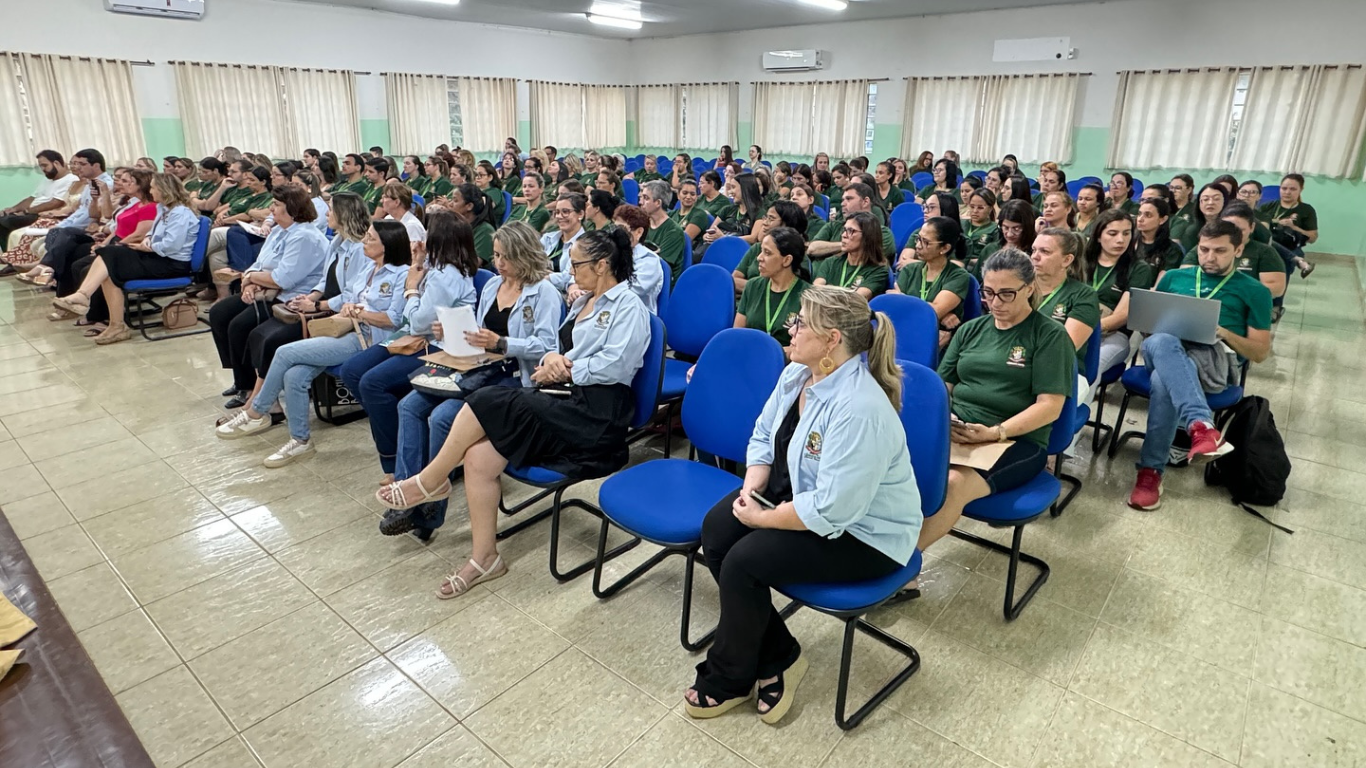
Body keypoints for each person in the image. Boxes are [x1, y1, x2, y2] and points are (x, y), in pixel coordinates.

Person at [683, 286, 920, 724]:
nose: (788, 329)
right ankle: (780, 657)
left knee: (743, 562)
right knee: (718, 530)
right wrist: (752, 490)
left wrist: (765, 518)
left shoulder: (859, 407)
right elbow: (762, 436)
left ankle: (729, 676)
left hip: (865, 534)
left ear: (831, 339)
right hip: (808, 502)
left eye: (800, 323)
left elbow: (833, 510)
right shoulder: (798, 374)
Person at [376, 228, 651, 599]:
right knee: (478, 457)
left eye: (577, 265)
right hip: (564, 400)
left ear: (603, 265)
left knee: (488, 398)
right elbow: (555, 348)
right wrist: (555, 361)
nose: (571, 273)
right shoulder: (583, 300)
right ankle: (485, 557)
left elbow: (618, 366)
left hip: (597, 418)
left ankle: (431, 479)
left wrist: (565, 366)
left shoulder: (628, 306)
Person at [381, 221, 561, 539]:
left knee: (442, 417)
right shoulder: (492, 285)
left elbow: (548, 347)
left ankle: (429, 510)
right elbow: (474, 333)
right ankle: (408, 495)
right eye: (495, 255)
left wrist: (502, 344)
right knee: (410, 405)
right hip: (479, 367)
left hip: (514, 375)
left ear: (524, 255)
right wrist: (448, 331)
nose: (499, 263)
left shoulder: (543, 292)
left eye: (505, 257)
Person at [216, 221, 410, 466]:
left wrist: (360, 313)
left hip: (370, 340)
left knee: (284, 353)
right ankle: (300, 441)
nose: (364, 241)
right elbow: (348, 296)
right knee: (295, 376)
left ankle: (257, 410)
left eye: (370, 238)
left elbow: (394, 319)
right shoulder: (370, 268)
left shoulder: (402, 274)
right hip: (348, 328)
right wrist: (315, 304)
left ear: (387, 245)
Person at [917, 249, 1072, 554]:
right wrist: (946, 419)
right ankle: (880, 548)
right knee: (896, 464)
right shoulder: (971, 329)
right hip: (961, 431)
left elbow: (1050, 406)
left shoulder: (1049, 336)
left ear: (1029, 289)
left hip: (1016, 441)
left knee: (952, 484)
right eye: (988, 293)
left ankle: (900, 566)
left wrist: (995, 432)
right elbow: (941, 387)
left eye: (1006, 294)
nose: (995, 303)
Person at [1128, 220, 1272, 510]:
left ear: (1239, 249)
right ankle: (1202, 426)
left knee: (1162, 382)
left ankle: (1151, 470)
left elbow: (1259, 353)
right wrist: (1151, 325)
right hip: (1165, 350)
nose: (1209, 257)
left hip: (1215, 360)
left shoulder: (1254, 291)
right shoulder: (1173, 279)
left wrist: (1224, 332)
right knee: (1162, 340)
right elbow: (1147, 329)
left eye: (1220, 251)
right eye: (1204, 249)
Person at [342, 210, 480, 479]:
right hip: (414, 337)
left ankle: (394, 460)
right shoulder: (437, 267)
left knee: (372, 383)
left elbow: (416, 321)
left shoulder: (445, 275)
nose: (422, 241)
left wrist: (411, 289)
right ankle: (398, 435)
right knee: (352, 372)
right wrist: (418, 262)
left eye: (428, 236)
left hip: (437, 345)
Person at [231, 193, 372, 412]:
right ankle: (261, 399)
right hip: (322, 305)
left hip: (339, 313)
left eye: (331, 209)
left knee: (272, 341)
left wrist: (317, 306)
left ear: (344, 215)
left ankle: (258, 404)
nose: (327, 213)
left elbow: (352, 295)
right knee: (259, 334)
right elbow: (325, 280)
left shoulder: (359, 250)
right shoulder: (337, 241)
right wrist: (312, 297)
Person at [210, 186, 331, 405]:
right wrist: (249, 283)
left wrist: (252, 279)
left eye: (276, 205)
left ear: (292, 210)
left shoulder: (304, 236)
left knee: (239, 325)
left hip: (289, 297)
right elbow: (258, 264)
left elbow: (282, 279)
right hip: (265, 290)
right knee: (220, 312)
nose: (270, 208)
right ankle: (241, 378)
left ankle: (250, 388)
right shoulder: (278, 230)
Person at [50, 173, 200, 344]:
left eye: (153, 187)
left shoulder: (180, 213)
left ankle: (84, 297)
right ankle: (114, 324)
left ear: (164, 190)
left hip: (172, 263)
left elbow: (172, 245)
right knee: (109, 265)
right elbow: (152, 232)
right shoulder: (163, 209)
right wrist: (148, 240)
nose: (150, 191)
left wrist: (147, 247)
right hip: (157, 256)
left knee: (110, 254)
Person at [48, 168, 157, 310]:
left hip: (129, 246)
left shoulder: (149, 206)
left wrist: (111, 246)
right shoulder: (134, 203)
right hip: (115, 240)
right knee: (72, 257)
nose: (119, 183)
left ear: (139, 185)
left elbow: (138, 235)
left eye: (125, 181)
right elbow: (117, 227)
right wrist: (104, 243)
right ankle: (69, 302)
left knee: (84, 266)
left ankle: (94, 313)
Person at [1031, 228, 1100, 399]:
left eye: (1045, 251)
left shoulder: (1083, 295)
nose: (1034, 256)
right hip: (1016, 363)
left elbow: (1064, 348)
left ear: (1067, 260)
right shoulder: (1020, 288)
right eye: (1033, 250)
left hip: (1063, 373)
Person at [27, 150, 112, 286]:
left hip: (93, 229)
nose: (77, 168)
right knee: (54, 233)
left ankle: (50, 272)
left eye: (82, 164)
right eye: (76, 164)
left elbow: (97, 217)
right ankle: (49, 272)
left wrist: (63, 226)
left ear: (96, 166)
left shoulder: (106, 185)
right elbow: (83, 212)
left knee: (62, 233)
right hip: (88, 225)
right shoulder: (90, 184)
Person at [1083, 208, 1152, 375]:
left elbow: (1123, 315)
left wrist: (1086, 330)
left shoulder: (1139, 268)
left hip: (1112, 335)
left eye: (1126, 233)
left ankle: (1078, 402)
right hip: (1073, 325)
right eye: (1112, 233)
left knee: (1089, 367)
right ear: (1098, 236)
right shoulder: (1082, 260)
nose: (1120, 240)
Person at [1182, 202, 1286, 306]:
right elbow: (1185, 277)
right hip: (1205, 301)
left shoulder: (1264, 251)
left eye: (1240, 230)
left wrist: (1231, 294)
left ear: (1252, 227)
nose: (1233, 234)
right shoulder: (1206, 247)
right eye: (1228, 228)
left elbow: (1276, 288)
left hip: (1245, 304)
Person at [893, 216, 971, 347]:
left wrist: (903, 299)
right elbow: (897, 311)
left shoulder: (958, 276)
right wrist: (937, 312)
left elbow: (932, 313)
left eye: (926, 242)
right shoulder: (909, 270)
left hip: (937, 340)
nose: (918, 246)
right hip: (904, 333)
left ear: (945, 248)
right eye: (918, 239)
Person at [734, 226, 811, 348]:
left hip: (784, 363)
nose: (759, 258)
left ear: (787, 260)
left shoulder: (808, 296)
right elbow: (737, 333)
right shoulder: (753, 286)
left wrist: (770, 355)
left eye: (767, 253)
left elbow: (801, 348)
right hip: (749, 355)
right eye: (761, 251)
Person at [0, 151, 76, 265]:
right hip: (32, 212)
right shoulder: (47, 180)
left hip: (43, 214)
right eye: (41, 166)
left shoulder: (70, 179)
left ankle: (14, 259)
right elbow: (32, 198)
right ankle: (9, 258)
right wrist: (13, 209)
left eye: (45, 165)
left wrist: (26, 211)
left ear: (56, 163)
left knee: (8, 221)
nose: (42, 169)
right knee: (3, 218)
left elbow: (56, 203)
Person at [733, 201, 809, 294]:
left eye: (771, 219)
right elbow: (734, 279)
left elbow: (787, 289)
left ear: (786, 225)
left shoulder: (799, 257)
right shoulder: (757, 247)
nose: (764, 223)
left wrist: (751, 287)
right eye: (766, 217)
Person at [807, 183, 894, 262]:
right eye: (842, 200)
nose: (842, 204)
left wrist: (827, 249)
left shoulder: (882, 232)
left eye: (848, 199)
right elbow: (812, 248)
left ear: (865, 202)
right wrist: (847, 245)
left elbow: (865, 256)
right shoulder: (833, 225)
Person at [812, 212, 890, 300]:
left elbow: (855, 300)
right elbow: (815, 292)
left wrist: (827, 289)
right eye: (844, 230)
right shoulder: (830, 262)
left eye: (851, 231)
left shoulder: (878, 270)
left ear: (867, 236)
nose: (843, 235)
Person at [610, 203, 665, 313]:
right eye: (614, 227)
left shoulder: (649, 260)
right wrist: (574, 286)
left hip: (634, 315)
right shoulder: (610, 251)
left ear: (639, 232)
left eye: (621, 228)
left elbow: (633, 290)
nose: (616, 233)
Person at [1260, 173, 1317, 279]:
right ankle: (1298, 260)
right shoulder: (1267, 207)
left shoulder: (1306, 210)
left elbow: (1312, 238)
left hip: (1290, 246)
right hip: (1266, 245)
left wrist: (1294, 227)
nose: (1287, 192)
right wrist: (1276, 222)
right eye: (1284, 188)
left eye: (1293, 189)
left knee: (1283, 265)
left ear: (1301, 189)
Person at [640, 180, 686, 284]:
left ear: (658, 203)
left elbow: (659, 265)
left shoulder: (674, 231)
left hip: (660, 283)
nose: (640, 202)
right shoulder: (642, 224)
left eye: (646, 198)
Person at [541, 192, 587, 289]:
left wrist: (543, 276)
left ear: (581, 214)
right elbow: (530, 264)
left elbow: (568, 278)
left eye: (565, 212)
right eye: (557, 212)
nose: (559, 216)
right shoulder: (547, 238)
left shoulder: (585, 244)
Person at [445, 183, 496, 264]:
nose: (450, 204)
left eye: (455, 200)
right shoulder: (455, 225)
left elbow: (474, 263)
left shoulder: (485, 230)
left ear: (469, 206)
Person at [1135, 198, 1184, 272]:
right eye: (1139, 214)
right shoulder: (1129, 242)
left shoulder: (1172, 250)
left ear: (1162, 220)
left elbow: (1164, 280)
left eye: (1148, 215)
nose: (1140, 219)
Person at [1180, 183, 1229, 255]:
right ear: (1199, 203)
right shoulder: (1192, 231)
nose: (1211, 202)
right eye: (1206, 199)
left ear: (1225, 202)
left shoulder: (1231, 228)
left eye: (1216, 199)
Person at [961, 189, 1000, 275]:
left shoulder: (995, 229)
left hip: (980, 269)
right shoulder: (960, 224)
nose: (975, 211)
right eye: (972, 206)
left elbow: (993, 257)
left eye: (980, 208)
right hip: (957, 265)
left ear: (990, 209)